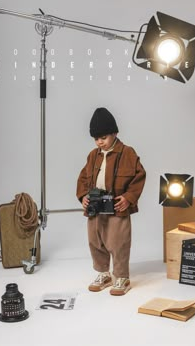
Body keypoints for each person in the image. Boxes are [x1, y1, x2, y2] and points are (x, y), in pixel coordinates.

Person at [76, 107, 146, 296]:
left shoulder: (127, 153)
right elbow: (83, 178)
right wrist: (83, 196)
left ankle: (122, 277)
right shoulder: (93, 155)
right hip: (95, 206)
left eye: (103, 138)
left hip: (116, 206)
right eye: (96, 139)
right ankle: (103, 273)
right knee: (95, 241)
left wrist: (128, 198)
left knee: (118, 242)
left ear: (114, 133)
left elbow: (139, 176)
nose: (100, 142)